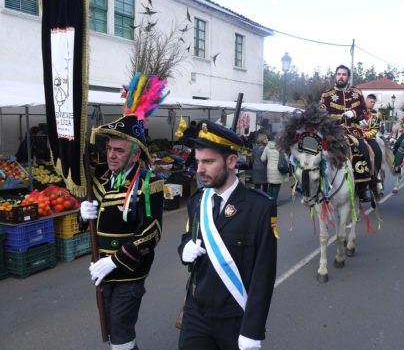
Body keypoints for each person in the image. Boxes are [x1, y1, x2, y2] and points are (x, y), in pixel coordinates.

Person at [80, 73, 166, 350]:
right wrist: (84, 215)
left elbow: (151, 233)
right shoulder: (101, 179)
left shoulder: (149, 183)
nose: (111, 155)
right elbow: (94, 220)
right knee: (110, 329)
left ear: (136, 154)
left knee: (120, 330)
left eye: (119, 150)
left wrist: (115, 260)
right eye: (109, 149)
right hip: (101, 270)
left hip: (129, 271)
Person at [178, 120, 277, 350]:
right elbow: (186, 238)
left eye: (208, 161)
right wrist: (185, 250)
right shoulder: (197, 202)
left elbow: (264, 273)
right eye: (198, 161)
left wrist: (252, 330)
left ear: (231, 161)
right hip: (196, 313)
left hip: (235, 318)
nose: (199, 169)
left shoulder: (259, 208)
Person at [320, 64, 372, 202]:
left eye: (344, 74)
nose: (340, 77)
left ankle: (364, 187)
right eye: (338, 74)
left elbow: (364, 111)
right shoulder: (327, 95)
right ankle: (312, 185)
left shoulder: (357, 92)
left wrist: (354, 113)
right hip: (333, 132)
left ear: (348, 77)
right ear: (335, 76)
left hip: (352, 130)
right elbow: (321, 114)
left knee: (364, 152)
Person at [261, 135, 289, 200]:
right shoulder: (281, 147)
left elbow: (263, 158)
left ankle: (268, 200)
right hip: (279, 169)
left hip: (270, 169)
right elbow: (286, 158)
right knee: (277, 186)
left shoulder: (267, 147)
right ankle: (273, 201)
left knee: (270, 185)